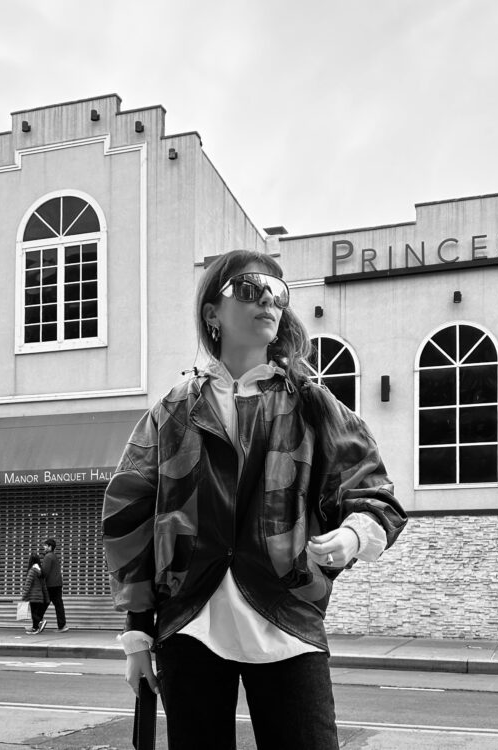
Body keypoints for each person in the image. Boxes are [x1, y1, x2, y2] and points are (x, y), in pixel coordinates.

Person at [102, 249, 408, 750]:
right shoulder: (172, 412)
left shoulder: (311, 405)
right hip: (190, 625)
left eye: (277, 293)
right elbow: (127, 516)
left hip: (288, 619)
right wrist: (137, 634)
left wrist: (354, 535)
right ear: (212, 313)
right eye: (249, 289)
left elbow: (374, 492)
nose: (267, 300)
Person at [41, 537, 68, 632]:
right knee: (58, 605)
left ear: (50, 547)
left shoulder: (48, 557)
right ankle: (62, 626)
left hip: (50, 585)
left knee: (42, 604)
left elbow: (45, 572)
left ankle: (37, 624)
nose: (44, 547)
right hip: (57, 584)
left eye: (45, 545)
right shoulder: (54, 556)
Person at [21, 553, 49, 634]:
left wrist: (24, 596)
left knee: (34, 614)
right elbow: (44, 586)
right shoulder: (40, 571)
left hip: (33, 596)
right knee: (35, 613)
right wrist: (46, 598)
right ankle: (35, 628)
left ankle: (41, 622)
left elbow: (27, 584)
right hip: (40, 596)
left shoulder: (32, 571)